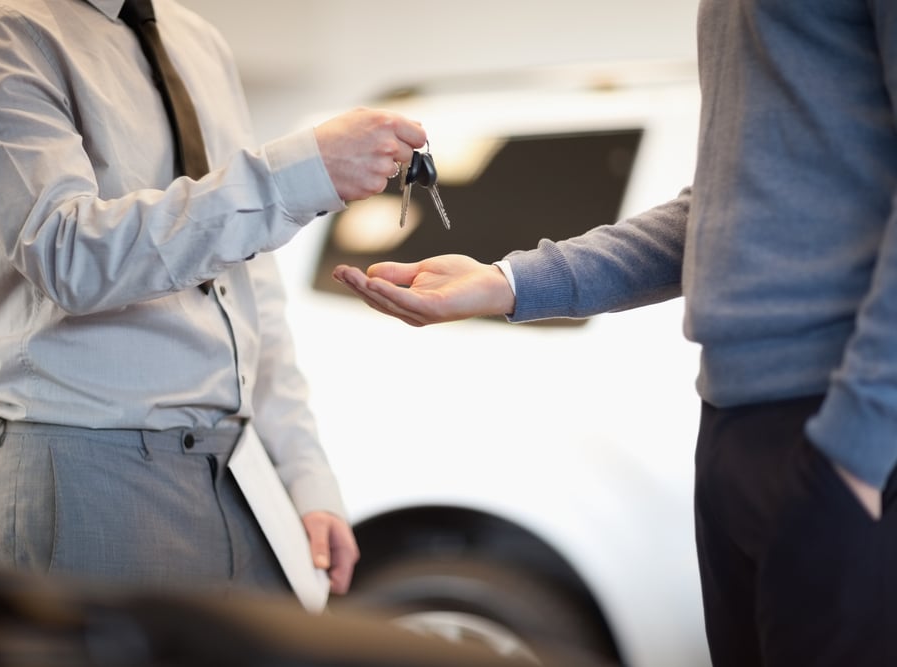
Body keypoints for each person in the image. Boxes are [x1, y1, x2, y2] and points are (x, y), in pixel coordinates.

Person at [333, 2, 897, 666]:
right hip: (734, 426)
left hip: (842, 427)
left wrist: (856, 450)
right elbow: (722, 206)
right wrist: (509, 281)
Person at [0, 0, 426, 599]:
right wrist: (296, 174)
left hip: (242, 475)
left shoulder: (197, 40)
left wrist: (305, 474)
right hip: (88, 478)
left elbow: (247, 284)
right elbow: (70, 257)